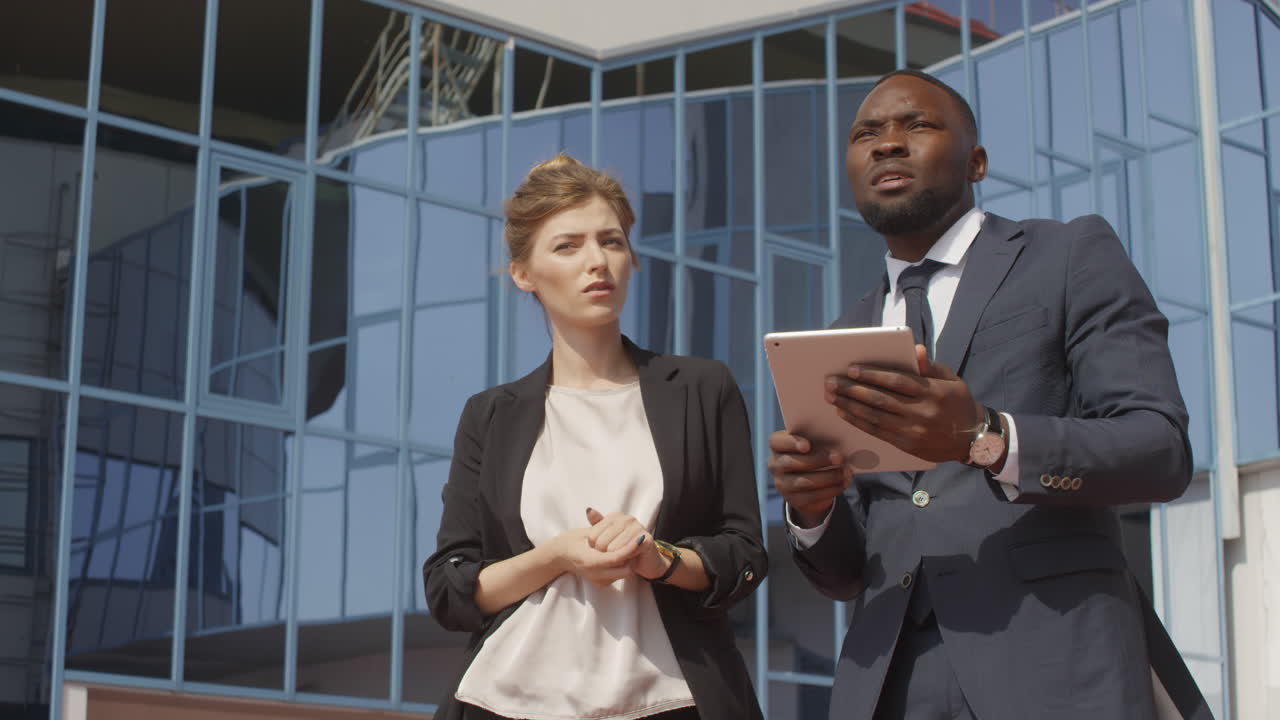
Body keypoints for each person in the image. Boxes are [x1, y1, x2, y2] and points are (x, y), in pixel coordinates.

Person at [768, 69, 1212, 720]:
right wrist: (812, 512)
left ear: (976, 161)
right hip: (890, 684)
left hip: (1055, 667)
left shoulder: (1067, 255)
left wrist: (985, 438)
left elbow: (1159, 448)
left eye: (916, 125)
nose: (887, 143)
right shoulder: (838, 340)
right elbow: (844, 572)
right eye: (867, 133)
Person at [422, 154, 766, 720]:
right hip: (506, 700)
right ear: (523, 273)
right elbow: (450, 589)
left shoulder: (703, 388)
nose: (596, 262)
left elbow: (744, 552)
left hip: (673, 699)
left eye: (610, 241)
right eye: (567, 246)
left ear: (631, 257)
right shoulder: (490, 415)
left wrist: (658, 557)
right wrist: (557, 555)